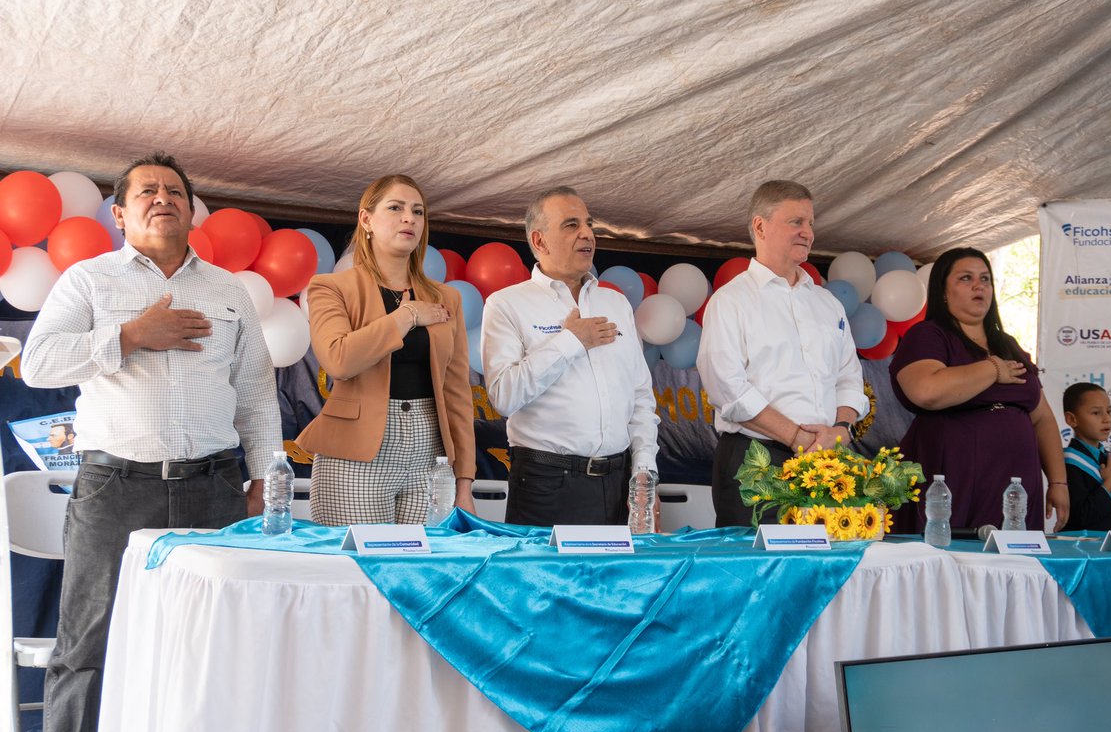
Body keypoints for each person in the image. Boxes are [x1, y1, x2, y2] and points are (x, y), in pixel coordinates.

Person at [22, 151, 281, 732]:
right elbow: (36, 364)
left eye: (174, 191)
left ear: (192, 211)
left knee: (213, 641)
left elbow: (256, 392)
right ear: (118, 213)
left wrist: (265, 479)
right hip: (115, 490)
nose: (162, 198)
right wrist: (131, 336)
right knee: (87, 646)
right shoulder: (89, 280)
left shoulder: (228, 291)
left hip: (214, 488)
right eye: (147, 191)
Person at [298, 174, 476, 524]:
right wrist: (406, 316)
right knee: (357, 570)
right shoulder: (331, 287)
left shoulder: (447, 298)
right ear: (366, 220)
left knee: (422, 572)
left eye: (418, 212)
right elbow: (338, 359)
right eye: (395, 208)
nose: (409, 218)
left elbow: (457, 392)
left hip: (430, 452)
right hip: (356, 453)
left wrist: (465, 482)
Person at [481, 186, 659, 526]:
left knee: (618, 581)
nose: (587, 234)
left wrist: (644, 470)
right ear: (539, 241)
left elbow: (640, 397)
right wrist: (570, 341)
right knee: (546, 581)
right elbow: (504, 396)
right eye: (571, 225)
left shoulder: (616, 304)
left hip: (620, 483)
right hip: (546, 484)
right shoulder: (506, 304)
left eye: (589, 224)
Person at [697, 180, 869, 527]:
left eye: (811, 223)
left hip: (829, 461)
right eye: (796, 222)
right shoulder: (731, 301)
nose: (808, 233)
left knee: (828, 571)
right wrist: (797, 437)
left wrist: (840, 429)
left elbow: (850, 377)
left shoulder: (826, 302)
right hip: (757, 457)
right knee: (756, 572)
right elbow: (728, 390)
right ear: (760, 226)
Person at [889, 247, 1070, 532]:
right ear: (943, 291)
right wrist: (991, 370)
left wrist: (1058, 482)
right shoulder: (928, 335)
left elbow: (1042, 417)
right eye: (965, 278)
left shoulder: (1008, 344)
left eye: (985, 279)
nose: (978, 285)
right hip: (952, 479)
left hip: (1016, 486)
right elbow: (925, 390)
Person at [1061, 382, 1111, 532]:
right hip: (1078, 547)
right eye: (1096, 413)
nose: (1106, 419)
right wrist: (1108, 483)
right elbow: (1080, 519)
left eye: (1109, 411)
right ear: (1072, 419)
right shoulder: (1067, 462)